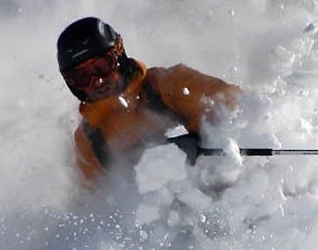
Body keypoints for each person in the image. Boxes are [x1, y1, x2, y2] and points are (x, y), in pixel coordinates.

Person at [57, 17, 241, 182]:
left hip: (216, 189)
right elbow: (93, 205)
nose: (97, 81)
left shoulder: (168, 85)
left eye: (102, 66)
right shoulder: (90, 139)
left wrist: (199, 142)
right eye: (81, 77)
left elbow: (236, 104)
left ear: (119, 54)